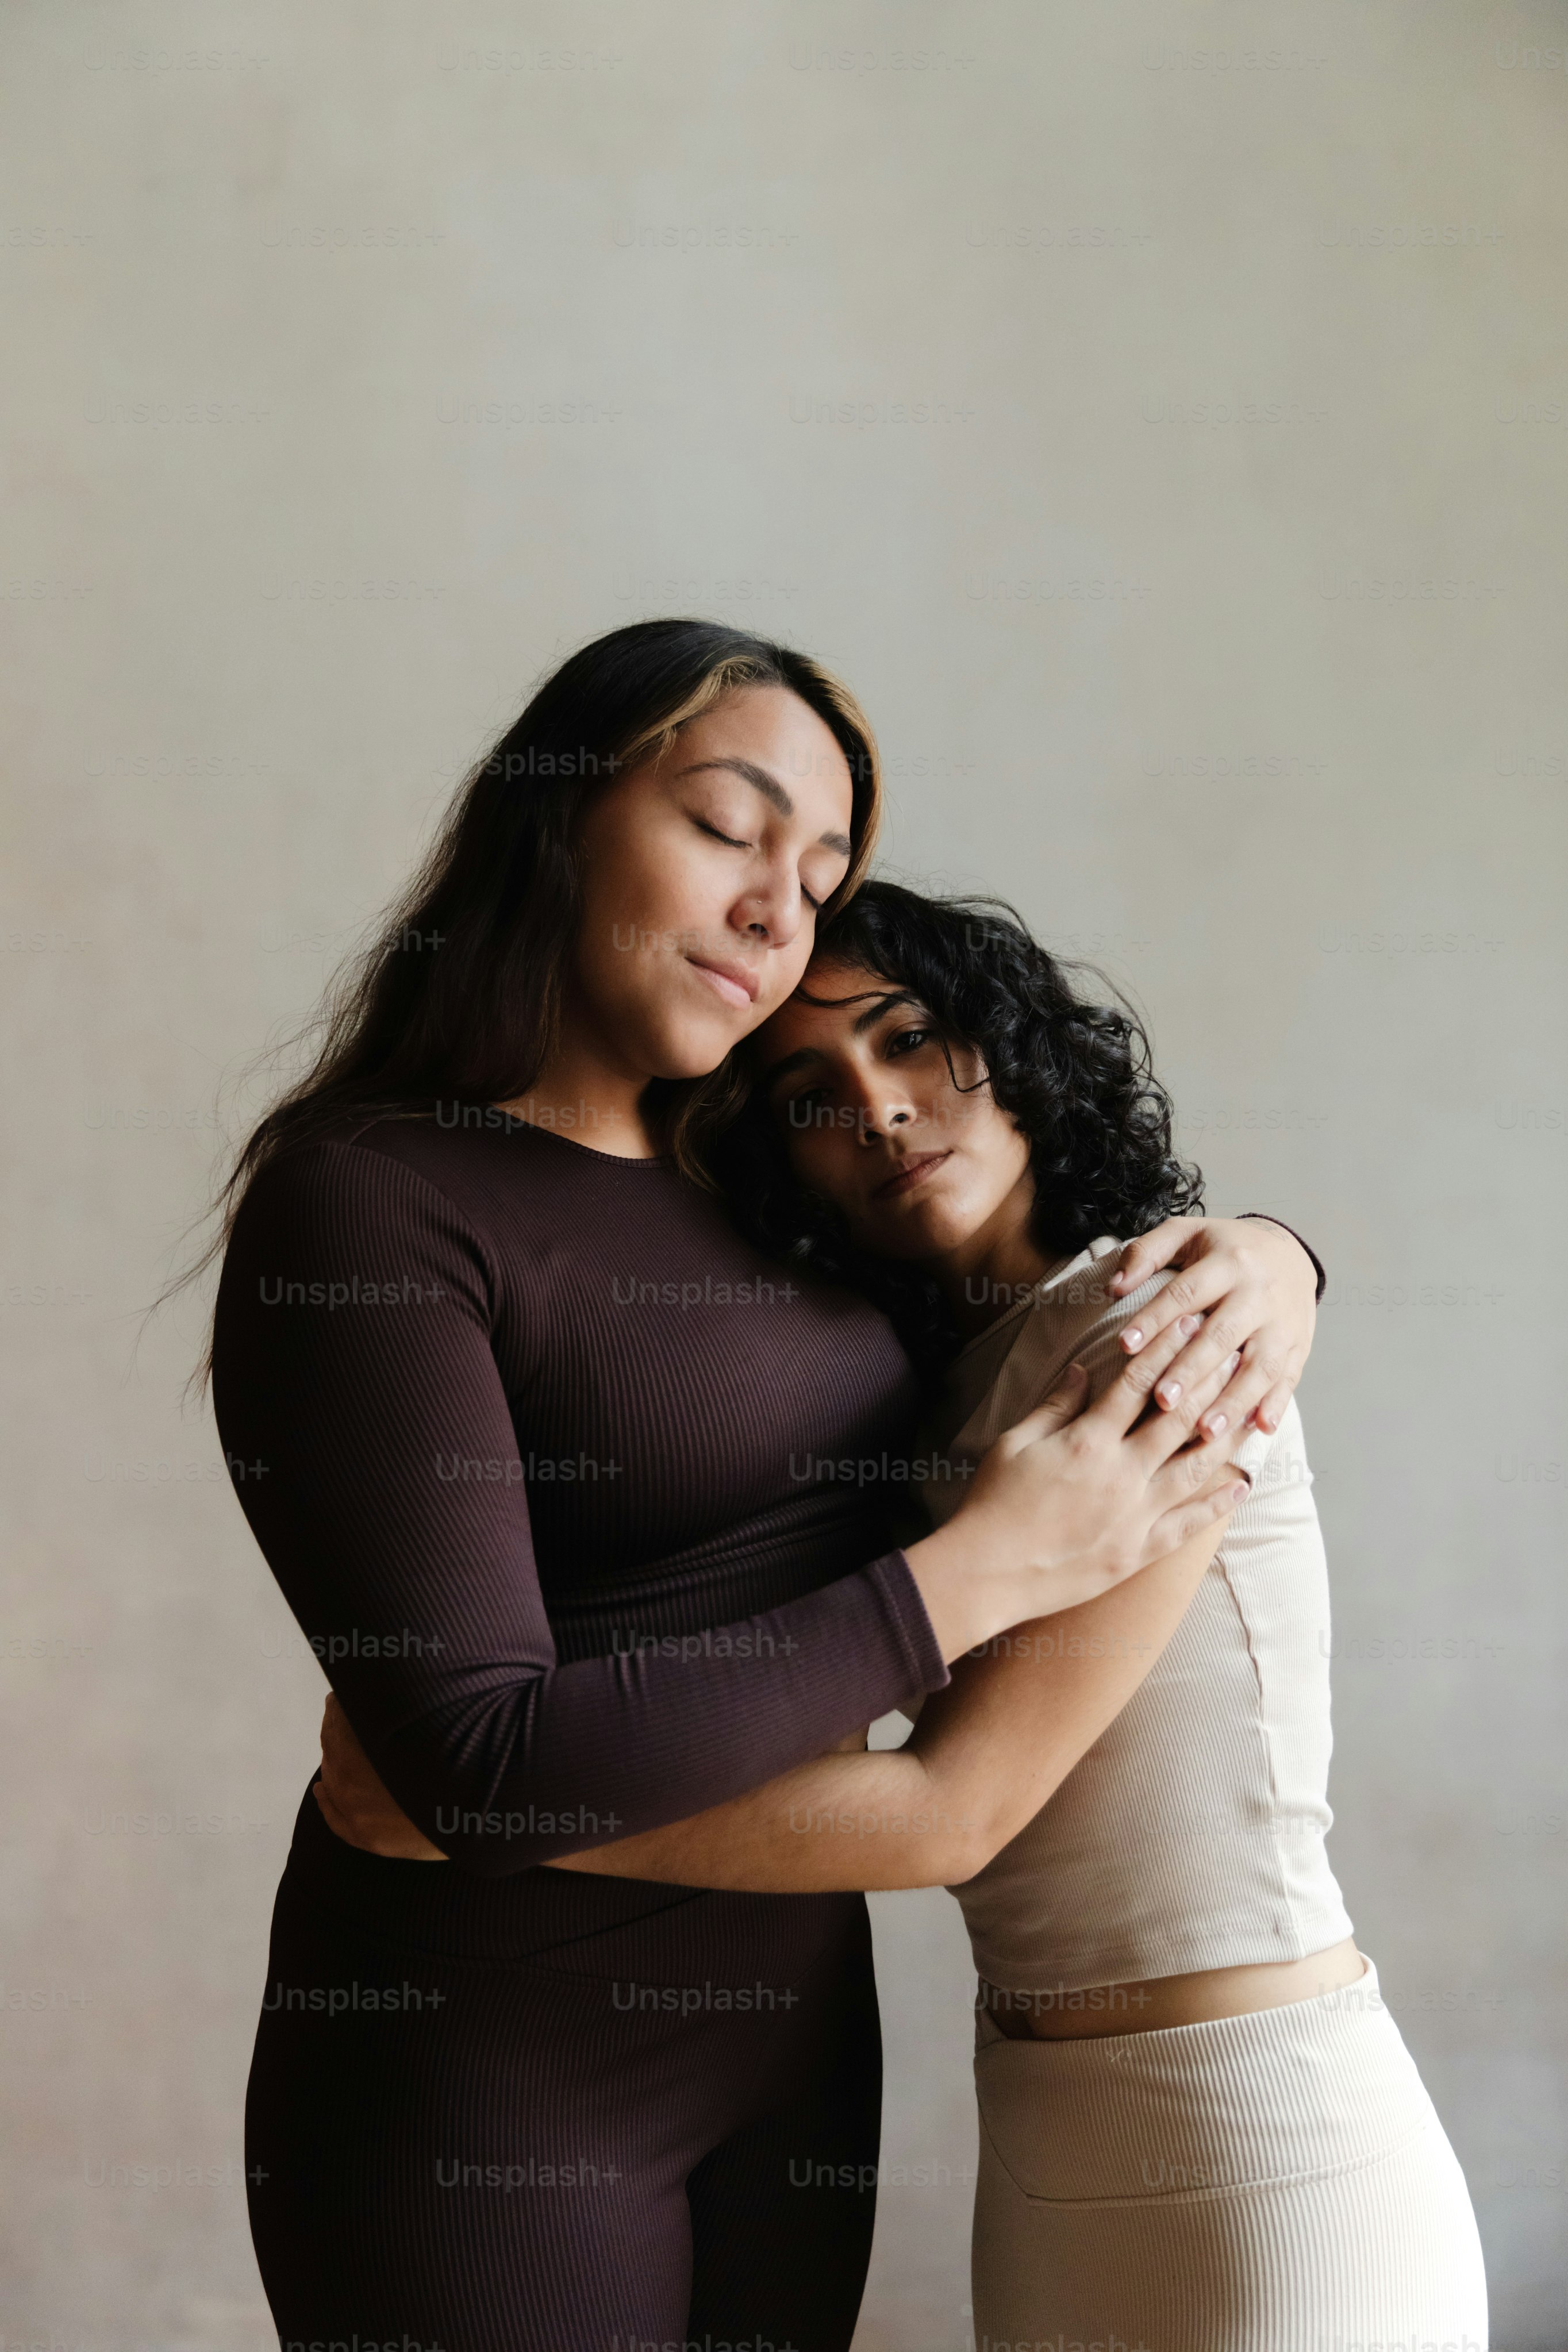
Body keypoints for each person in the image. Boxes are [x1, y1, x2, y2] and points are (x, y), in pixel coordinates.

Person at [210, 618, 1323, 2352]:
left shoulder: (763, 1174)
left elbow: (1022, 1287)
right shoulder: (370, 1196)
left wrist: (1278, 1254)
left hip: (789, 2068)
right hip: (487, 2081)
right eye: (730, 830)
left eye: (816, 877)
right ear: (561, 814)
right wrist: (980, 1569)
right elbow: (478, 1762)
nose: (774, 910)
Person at [334, 878, 1477, 2350]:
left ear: (1011, 1046)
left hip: (1263, 2139)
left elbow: (951, 1815)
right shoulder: (903, 1404)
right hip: (1047, 2129)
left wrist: (486, 1805)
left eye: (911, 1038)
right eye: (809, 1090)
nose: (874, 1108)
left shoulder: (1156, 1315)